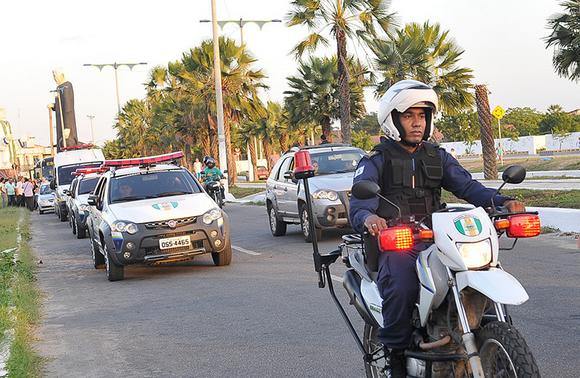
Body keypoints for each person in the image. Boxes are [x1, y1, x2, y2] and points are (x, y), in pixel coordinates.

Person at [349, 79, 525, 377]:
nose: (417, 123)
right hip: (399, 241)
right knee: (402, 286)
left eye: (422, 115)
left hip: (438, 238)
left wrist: (502, 202)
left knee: (483, 267)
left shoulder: (437, 156)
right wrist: (369, 219)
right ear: (393, 119)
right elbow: (359, 200)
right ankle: (395, 357)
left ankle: (492, 338)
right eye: (408, 116)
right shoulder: (376, 160)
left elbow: (468, 187)